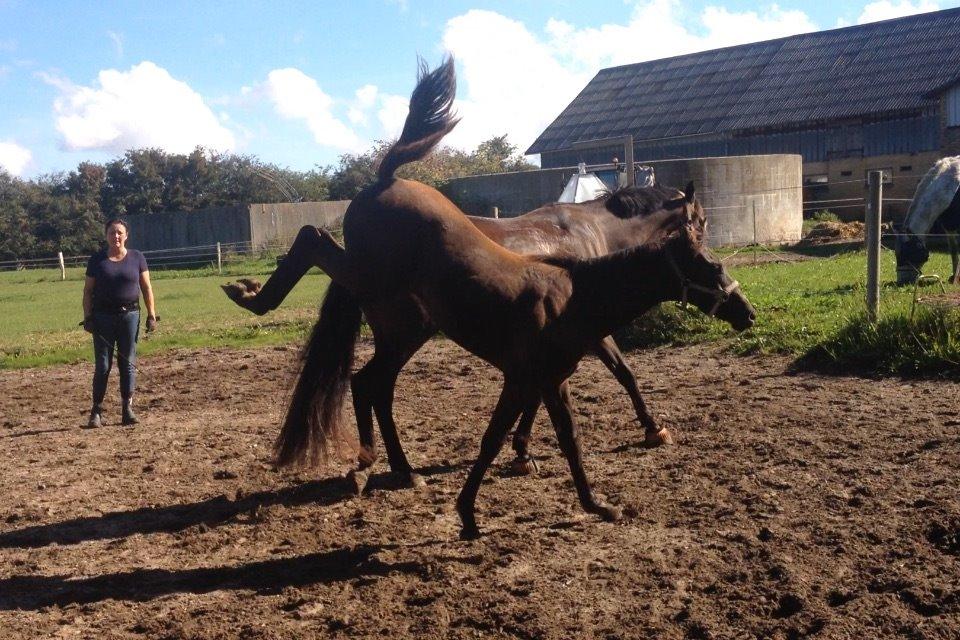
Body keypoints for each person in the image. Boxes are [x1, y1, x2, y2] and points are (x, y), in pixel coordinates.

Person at [81, 218, 159, 428]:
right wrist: (88, 317)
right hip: (102, 318)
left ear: (126, 235)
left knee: (127, 364)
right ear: (106, 235)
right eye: (112, 232)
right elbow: (88, 291)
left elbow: (146, 288)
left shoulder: (137, 258)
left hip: (129, 316)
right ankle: (96, 410)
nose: (115, 236)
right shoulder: (97, 260)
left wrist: (152, 315)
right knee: (103, 365)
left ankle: (127, 408)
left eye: (119, 232)